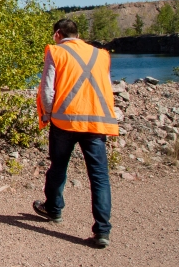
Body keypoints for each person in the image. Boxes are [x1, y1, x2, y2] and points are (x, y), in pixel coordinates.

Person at [33, 18, 117, 249]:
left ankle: (53, 208)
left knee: (59, 167)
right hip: (97, 122)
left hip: (66, 120)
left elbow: (47, 88)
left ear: (58, 34)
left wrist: (47, 114)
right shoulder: (101, 54)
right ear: (77, 34)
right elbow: (106, 85)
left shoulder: (56, 52)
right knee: (99, 177)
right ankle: (102, 230)